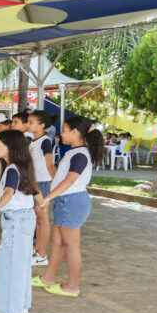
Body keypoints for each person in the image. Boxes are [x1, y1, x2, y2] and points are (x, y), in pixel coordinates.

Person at [32, 116, 104, 297]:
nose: (60, 134)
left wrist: (47, 197)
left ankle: (73, 286)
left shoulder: (80, 154)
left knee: (71, 245)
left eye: (64, 130)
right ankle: (48, 277)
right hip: (65, 202)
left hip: (71, 202)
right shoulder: (73, 152)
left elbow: (70, 180)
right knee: (56, 243)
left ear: (75, 132)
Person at [0, 130, 43, 313]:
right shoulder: (23, 167)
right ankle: (21, 306)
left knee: (9, 266)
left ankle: (8, 312)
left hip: (16, 222)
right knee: (21, 266)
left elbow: (9, 192)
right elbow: (36, 191)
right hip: (25, 220)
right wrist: (42, 205)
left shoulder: (12, 169)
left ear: (9, 147)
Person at [27, 111, 56, 268]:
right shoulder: (33, 140)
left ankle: (42, 254)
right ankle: (37, 251)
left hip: (43, 183)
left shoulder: (45, 141)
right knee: (37, 219)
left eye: (31, 122)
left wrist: (56, 183)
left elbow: (50, 164)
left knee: (42, 219)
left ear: (42, 125)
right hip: (34, 183)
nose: (28, 125)